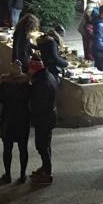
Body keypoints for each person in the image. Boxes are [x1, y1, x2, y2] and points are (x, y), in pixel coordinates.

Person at [0, 61, 31, 185]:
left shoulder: (5, 84)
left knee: (7, 149)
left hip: (8, 119)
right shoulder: (26, 84)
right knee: (23, 149)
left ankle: (8, 174)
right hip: (23, 119)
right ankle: (22, 175)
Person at [28, 57, 58, 185]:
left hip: (43, 119)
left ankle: (47, 173)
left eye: (29, 68)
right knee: (46, 144)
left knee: (42, 146)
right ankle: (45, 168)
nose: (28, 71)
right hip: (49, 117)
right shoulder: (47, 76)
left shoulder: (42, 83)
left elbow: (39, 104)